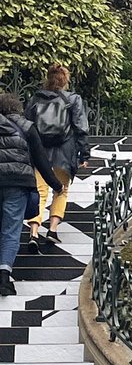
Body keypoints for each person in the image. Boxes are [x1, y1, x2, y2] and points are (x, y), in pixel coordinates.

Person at [0, 93, 63, 296]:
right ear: (17, 109)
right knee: (11, 230)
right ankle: (4, 278)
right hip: (18, 184)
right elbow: (41, 160)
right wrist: (56, 185)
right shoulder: (27, 127)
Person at [24, 64, 91, 252]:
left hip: (40, 153)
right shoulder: (72, 100)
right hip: (64, 152)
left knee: (39, 191)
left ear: (48, 78)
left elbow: (26, 126)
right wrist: (84, 154)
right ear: (65, 80)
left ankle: (34, 232)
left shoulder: (35, 99)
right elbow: (81, 128)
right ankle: (52, 231)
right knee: (61, 191)